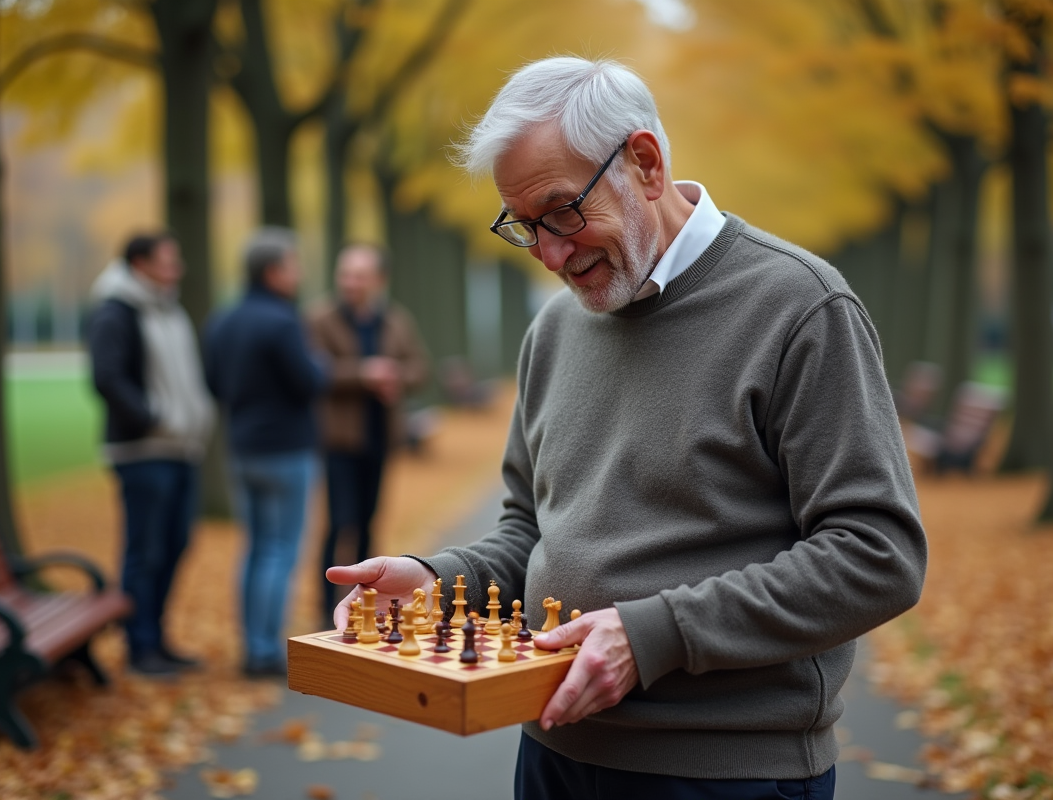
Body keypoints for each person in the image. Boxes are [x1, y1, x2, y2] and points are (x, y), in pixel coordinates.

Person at [327, 57, 930, 799]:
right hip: (550, 753)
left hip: (727, 773)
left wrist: (652, 637)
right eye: (524, 227)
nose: (549, 254)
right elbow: (532, 529)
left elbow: (878, 554)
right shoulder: (554, 328)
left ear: (643, 162)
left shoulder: (799, 308)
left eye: (562, 211)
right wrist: (437, 582)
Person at [203, 227, 329, 677]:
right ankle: (266, 652)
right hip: (287, 449)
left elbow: (213, 383)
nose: (298, 275)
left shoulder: (223, 320)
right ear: (273, 271)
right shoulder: (281, 321)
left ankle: (252, 643)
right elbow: (308, 382)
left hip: (242, 448)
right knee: (281, 549)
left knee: (255, 547)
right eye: (293, 266)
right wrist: (321, 365)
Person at [88, 232, 214, 677]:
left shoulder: (168, 308)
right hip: (142, 451)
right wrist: (151, 417)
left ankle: (157, 639)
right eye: (168, 259)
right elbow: (106, 376)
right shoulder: (115, 311)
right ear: (140, 263)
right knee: (145, 551)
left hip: (181, 449)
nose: (176, 267)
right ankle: (139, 647)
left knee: (176, 543)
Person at [307, 243, 428, 621]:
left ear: (378, 280)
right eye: (345, 274)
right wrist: (364, 373)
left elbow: (419, 368)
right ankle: (325, 607)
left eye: (359, 275)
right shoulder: (319, 319)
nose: (350, 283)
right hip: (340, 440)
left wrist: (395, 377)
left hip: (379, 438)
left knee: (369, 522)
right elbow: (315, 369)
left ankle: (365, 601)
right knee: (339, 522)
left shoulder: (395, 320)